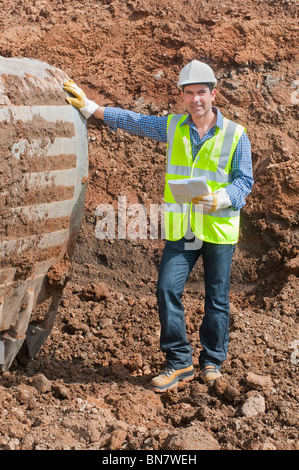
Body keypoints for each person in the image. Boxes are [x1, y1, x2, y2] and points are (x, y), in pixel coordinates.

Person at [63, 60, 253, 392]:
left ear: (213, 94)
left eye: (202, 93)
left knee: (217, 299)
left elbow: (244, 181)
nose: (196, 99)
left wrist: (221, 198)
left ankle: (211, 362)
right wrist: (93, 109)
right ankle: (179, 362)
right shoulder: (174, 127)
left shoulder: (236, 134)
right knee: (167, 288)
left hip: (218, 230)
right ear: (182, 96)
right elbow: (135, 121)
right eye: (189, 93)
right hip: (182, 230)